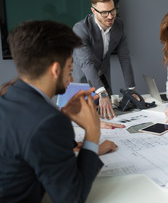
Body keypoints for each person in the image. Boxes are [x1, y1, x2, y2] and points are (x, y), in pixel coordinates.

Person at [0, 20, 103, 202]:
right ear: (56, 69)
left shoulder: (7, 95)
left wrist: (61, 118)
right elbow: (72, 198)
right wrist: (93, 134)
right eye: (70, 68)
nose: (70, 77)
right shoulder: (48, 122)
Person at [73, 0, 136, 120]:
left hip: (104, 79)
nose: (110, 16)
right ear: (93, 11)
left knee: (110, 117)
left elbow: (124, 57)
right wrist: (101, 93)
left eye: (112, 10)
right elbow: (86, 63)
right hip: (83, 81)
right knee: (84, 120)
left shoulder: (119, 25)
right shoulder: (80, 29)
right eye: (104, 12)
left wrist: (131, 89)